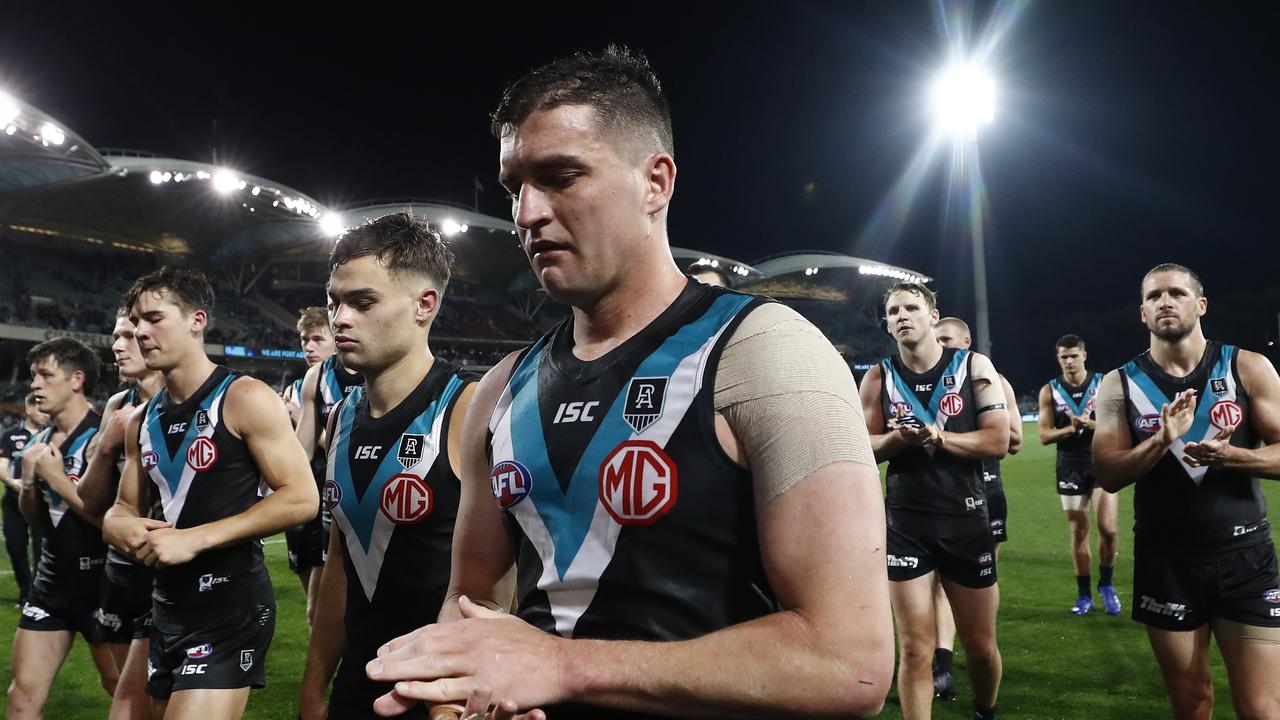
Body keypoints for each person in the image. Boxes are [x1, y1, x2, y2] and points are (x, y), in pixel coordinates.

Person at [363, 46, 894, 719]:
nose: (526, 212)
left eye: (560, 176)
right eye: (513, 186)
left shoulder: (766, 355)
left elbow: (849, 665)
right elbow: (474, 607)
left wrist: (563, 667)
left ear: (656, 182)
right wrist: (456, 704)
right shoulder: (500, 391)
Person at [102, 266, 318, 720]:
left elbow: (300, 497)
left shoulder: (244, 397)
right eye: (136, 322)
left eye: (154, 319)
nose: (140, 332)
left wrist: (195, 538)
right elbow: (122, 508)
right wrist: (119, 526)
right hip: (165, 603)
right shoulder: (140, 422)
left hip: (229, 603)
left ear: (197, 320)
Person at [298, 212, 477, 720]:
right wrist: (314, 683)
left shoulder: (467, 411)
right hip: (361, 680)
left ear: (425, 305)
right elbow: (341, 560)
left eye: (362, 302)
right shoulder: (341, 418)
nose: (340, 319)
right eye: (335, 302)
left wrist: (466, 691)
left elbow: (507, 577)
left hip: (443, 695)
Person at [1094, 263, 1280, 720]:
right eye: (1154, 296)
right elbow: (1108, 473)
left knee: (1261, 707)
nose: (1165, 302)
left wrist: (1234, 457)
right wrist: (1160, 440)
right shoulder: (1119, 384)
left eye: (1176, 293)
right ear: (1142, 313)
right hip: (1166, 562)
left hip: (1245, 559)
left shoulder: (1246, 366)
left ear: (1200, 305)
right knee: (1191, 703)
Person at [860, 284, 1009, 720]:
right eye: (893, 311)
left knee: (980, 649)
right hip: (906, 524)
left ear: (932, 315)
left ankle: (986, 711)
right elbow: (862, 446)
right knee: (913, 648)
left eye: (911, 307)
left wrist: (940, 436)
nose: (902, 315)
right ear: (887, 325)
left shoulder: (972, 366)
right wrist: (895, 438)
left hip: (966, 520)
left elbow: (998, 439)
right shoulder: (878, 376)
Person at [7, 338, 118, 718]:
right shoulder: (37, 442)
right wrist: (26, 479)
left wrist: (57, 480)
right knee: (21, 700)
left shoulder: (106, 435)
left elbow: (111, 523)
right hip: (51, 584)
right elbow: (35, 520)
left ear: (76, 380)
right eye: (32, 375)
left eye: (45, 375)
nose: (33, 384)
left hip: (104, 586)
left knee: (121, 689)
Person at [78, 308, 166, 720]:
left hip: (168, 569)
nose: (117, 345)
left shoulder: (190, 399)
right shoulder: (118, 403)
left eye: (128, 335)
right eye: (116, 335)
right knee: (122, 690)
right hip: (120, 569)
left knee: (147, 701)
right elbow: (91, 499)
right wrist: (109, 442)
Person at [931, 316, 1022, 702]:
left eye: (947, 340)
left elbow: (1014, 439)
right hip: (937, 493)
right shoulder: (924, 383)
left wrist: (962, 431)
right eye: (936, 340)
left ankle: (980, 652)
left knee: (980, 583)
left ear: (967, 342)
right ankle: (943, 664)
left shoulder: (993, 380)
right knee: (936, 584)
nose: (941, 347)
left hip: (985, 492)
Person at [1038, 334, 1121, 616]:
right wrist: (1071, 429)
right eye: (1064, 357)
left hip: (1102, 460)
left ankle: (1106, 586)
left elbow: (1118, 427)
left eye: (1074, 356)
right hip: (1069, 465)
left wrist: (1092, 424)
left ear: (1084, 355)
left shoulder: (1103, 383)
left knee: (1108, 529)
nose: (1070, 361)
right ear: (1058, 358)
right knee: (1078, 531)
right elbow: (1044, 435)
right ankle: (1084, 594)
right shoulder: (1050, 390)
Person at [285, 306, 340, 620]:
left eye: (317, 339)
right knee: (314, 607)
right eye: (305, 339)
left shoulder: (361, 378)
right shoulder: (303, 385)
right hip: (309, 497)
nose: (308, 346)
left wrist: (296, 417)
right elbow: (296, 452)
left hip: (339, 496)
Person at [0, 394, 48, 608]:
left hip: (41, 501)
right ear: (28, 409)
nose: (44, 413)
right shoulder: (10, 436)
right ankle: (26, 590)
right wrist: (12, 481)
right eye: (39, 408)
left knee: (42, 550)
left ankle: (37, 595)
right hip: (13, 500)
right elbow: (2, 466)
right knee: (15, 547)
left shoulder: (51, 435)